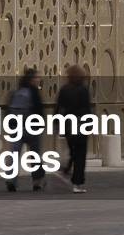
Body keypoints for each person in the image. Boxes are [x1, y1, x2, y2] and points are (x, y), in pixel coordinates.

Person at [6, 67, 46, 193]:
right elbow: (39, 111)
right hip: (32, 128)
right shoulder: (34, 92)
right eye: (37, 77)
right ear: (32, 79)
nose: (38, 79)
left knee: (14, 154)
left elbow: (8, 110)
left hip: (16, 128)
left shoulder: (16, 91)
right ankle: (37, 182)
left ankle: (11, 179)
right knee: (34, 155)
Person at [55, 64, 92, 193]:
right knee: (80, 154)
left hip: (68, 125)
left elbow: (58, 107)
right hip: (81, 125)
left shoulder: (64, 89)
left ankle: (66, 170)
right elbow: (87, 109)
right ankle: (77, 183)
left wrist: (57, 124)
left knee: (73, 151)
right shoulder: (83, 89)